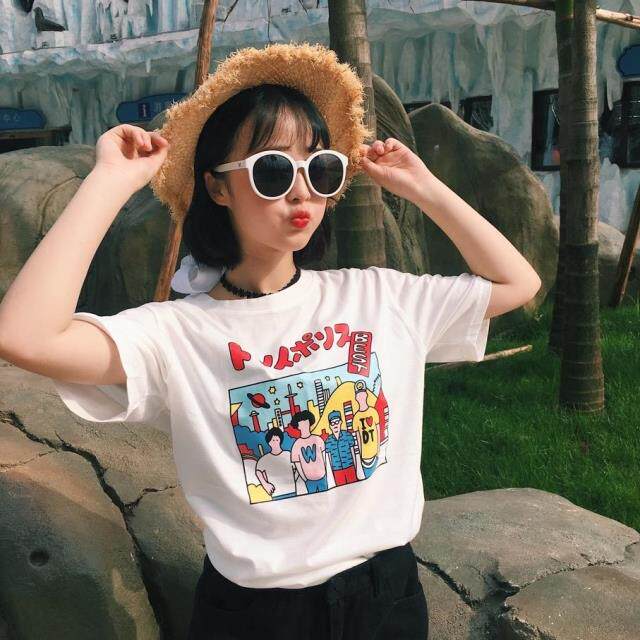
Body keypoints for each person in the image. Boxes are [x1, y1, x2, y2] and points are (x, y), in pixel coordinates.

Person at [0, 41, 542, 640]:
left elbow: (518, 283)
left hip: (385, 597)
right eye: (274, 170)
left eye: (320, 168)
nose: (302, 190)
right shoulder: (176, 333)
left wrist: (424, 187)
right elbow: (25, 336)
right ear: (217, 187)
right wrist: (109, 181)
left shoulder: (380, 297)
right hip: (254, 615)